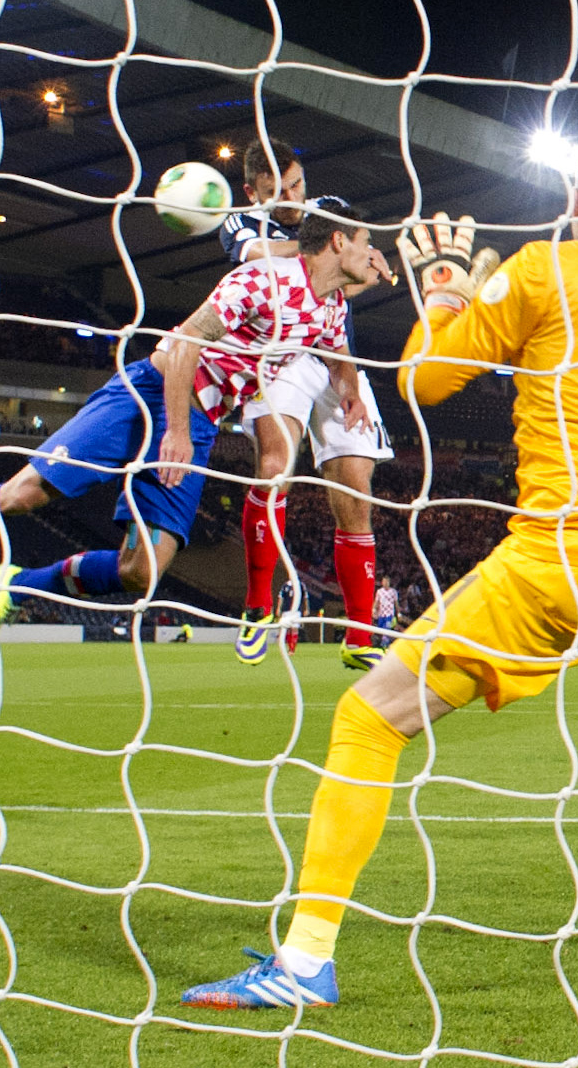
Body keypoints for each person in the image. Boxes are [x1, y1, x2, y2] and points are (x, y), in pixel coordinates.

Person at [182, 130, 578, 1010]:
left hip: (563, 552)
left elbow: (423, 380)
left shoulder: (542, 268)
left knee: (368, 720)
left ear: (574, 201)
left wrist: (446, 290)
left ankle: (303, 964)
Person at [0, 212, 380, 648]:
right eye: (366, 242)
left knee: (143, 572)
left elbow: (335, 355)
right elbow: (185, 342)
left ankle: (19, 587)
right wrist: (175, 429)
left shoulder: (331, 306)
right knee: (27, 492)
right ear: (338, 241)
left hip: (200, 420)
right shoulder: (264, 279)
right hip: (152, 394)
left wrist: (349, 386)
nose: (373, 252)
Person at [220, 138, 398, 672]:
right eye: (278, 191)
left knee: (356, 488)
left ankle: (361, 634)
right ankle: (256, 607)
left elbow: (354, 279)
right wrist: (337, 252)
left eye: (297, 185)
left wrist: (360, 265)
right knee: (275, 467)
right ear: (254, 191)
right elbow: (267, 258)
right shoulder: (240, 222)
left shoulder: (330, 210)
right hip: (279, 353)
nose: (294, 198)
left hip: (333, 347)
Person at [372, 574, 399, 647]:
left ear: (389, 582)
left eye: (387, 582)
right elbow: (377, 601)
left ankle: (385, 645)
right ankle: (379, 643)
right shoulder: (379, 591)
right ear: (382, 582)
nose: (386, 583)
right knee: (380, 629)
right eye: (384, 581)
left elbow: (396, 603)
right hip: (381, 614)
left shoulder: (393, 592)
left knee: (387, 629)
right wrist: (374, 609)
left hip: (389, 614)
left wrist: (398, 613)